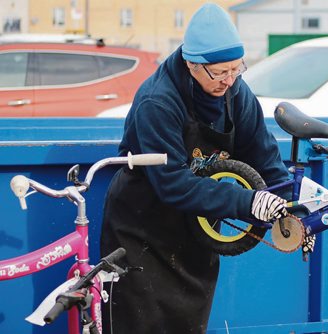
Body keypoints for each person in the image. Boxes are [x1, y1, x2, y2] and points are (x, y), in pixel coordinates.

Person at [100, 3, 295, 333]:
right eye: (219, 73)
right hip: (140, 234)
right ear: (192, 64)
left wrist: (292, 207)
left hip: (195, 236)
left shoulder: (237, 93)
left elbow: (265, 159)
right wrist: (248, 202)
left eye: (237, 69)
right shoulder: (157, 101)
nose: (229, 80)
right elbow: (173, 183)